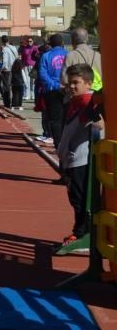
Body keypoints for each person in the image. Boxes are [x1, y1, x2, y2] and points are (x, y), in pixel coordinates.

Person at [56, 63, 104, 249]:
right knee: (75, 197)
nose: (71, 87)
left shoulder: (87, 101)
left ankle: (82, 233)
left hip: (81, 160)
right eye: (69, 83)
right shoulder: (75, 102)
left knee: (80, 198)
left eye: (76, 82)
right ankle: (80, 230)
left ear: (89, 83)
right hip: (71, 159)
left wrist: (96, 121)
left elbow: (100, 124)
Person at [37, 34, 68, 146]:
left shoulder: (46, 56)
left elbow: (42, 74)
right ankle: (65, 142)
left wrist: (54, 85)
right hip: (66, 90)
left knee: (55, 119)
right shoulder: (68, 55)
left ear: (50, 44)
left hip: (51, 91)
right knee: (66, 117)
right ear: (62, 43)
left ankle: (58, 143)